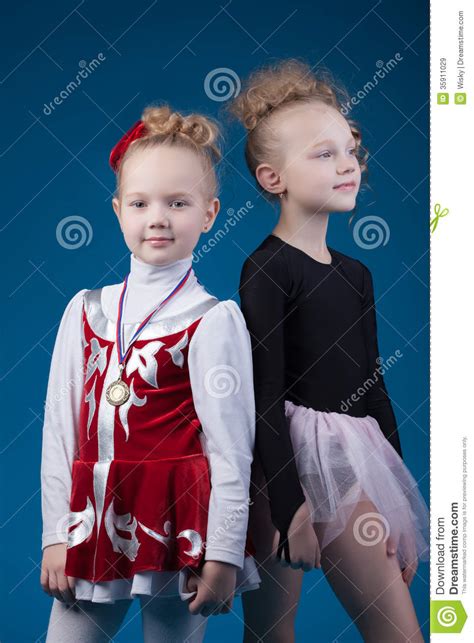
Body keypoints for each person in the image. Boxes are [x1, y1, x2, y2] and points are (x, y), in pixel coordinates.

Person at [40, 104, 260, 642]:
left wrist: (225, 554)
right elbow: (59, 430)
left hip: (177, 524)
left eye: (177, 203)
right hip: (91, 521)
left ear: (209, 214)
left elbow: (232, 449)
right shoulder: (85, 309)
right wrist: (54, 535)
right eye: (140, 203)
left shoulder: (212, 319)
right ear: (118, 210)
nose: (157, 218)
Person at [230, 59, 429, 642]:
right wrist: (290, 507)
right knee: (270, 634)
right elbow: (264, 393)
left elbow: (374, 385)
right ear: (274, 179)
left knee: (396, 633)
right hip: (280, 467)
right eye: (324, 154)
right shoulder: (267, 268)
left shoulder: (357, 274)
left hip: (349, 459)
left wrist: (396, 510)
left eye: (351, 149)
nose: (347, 164)